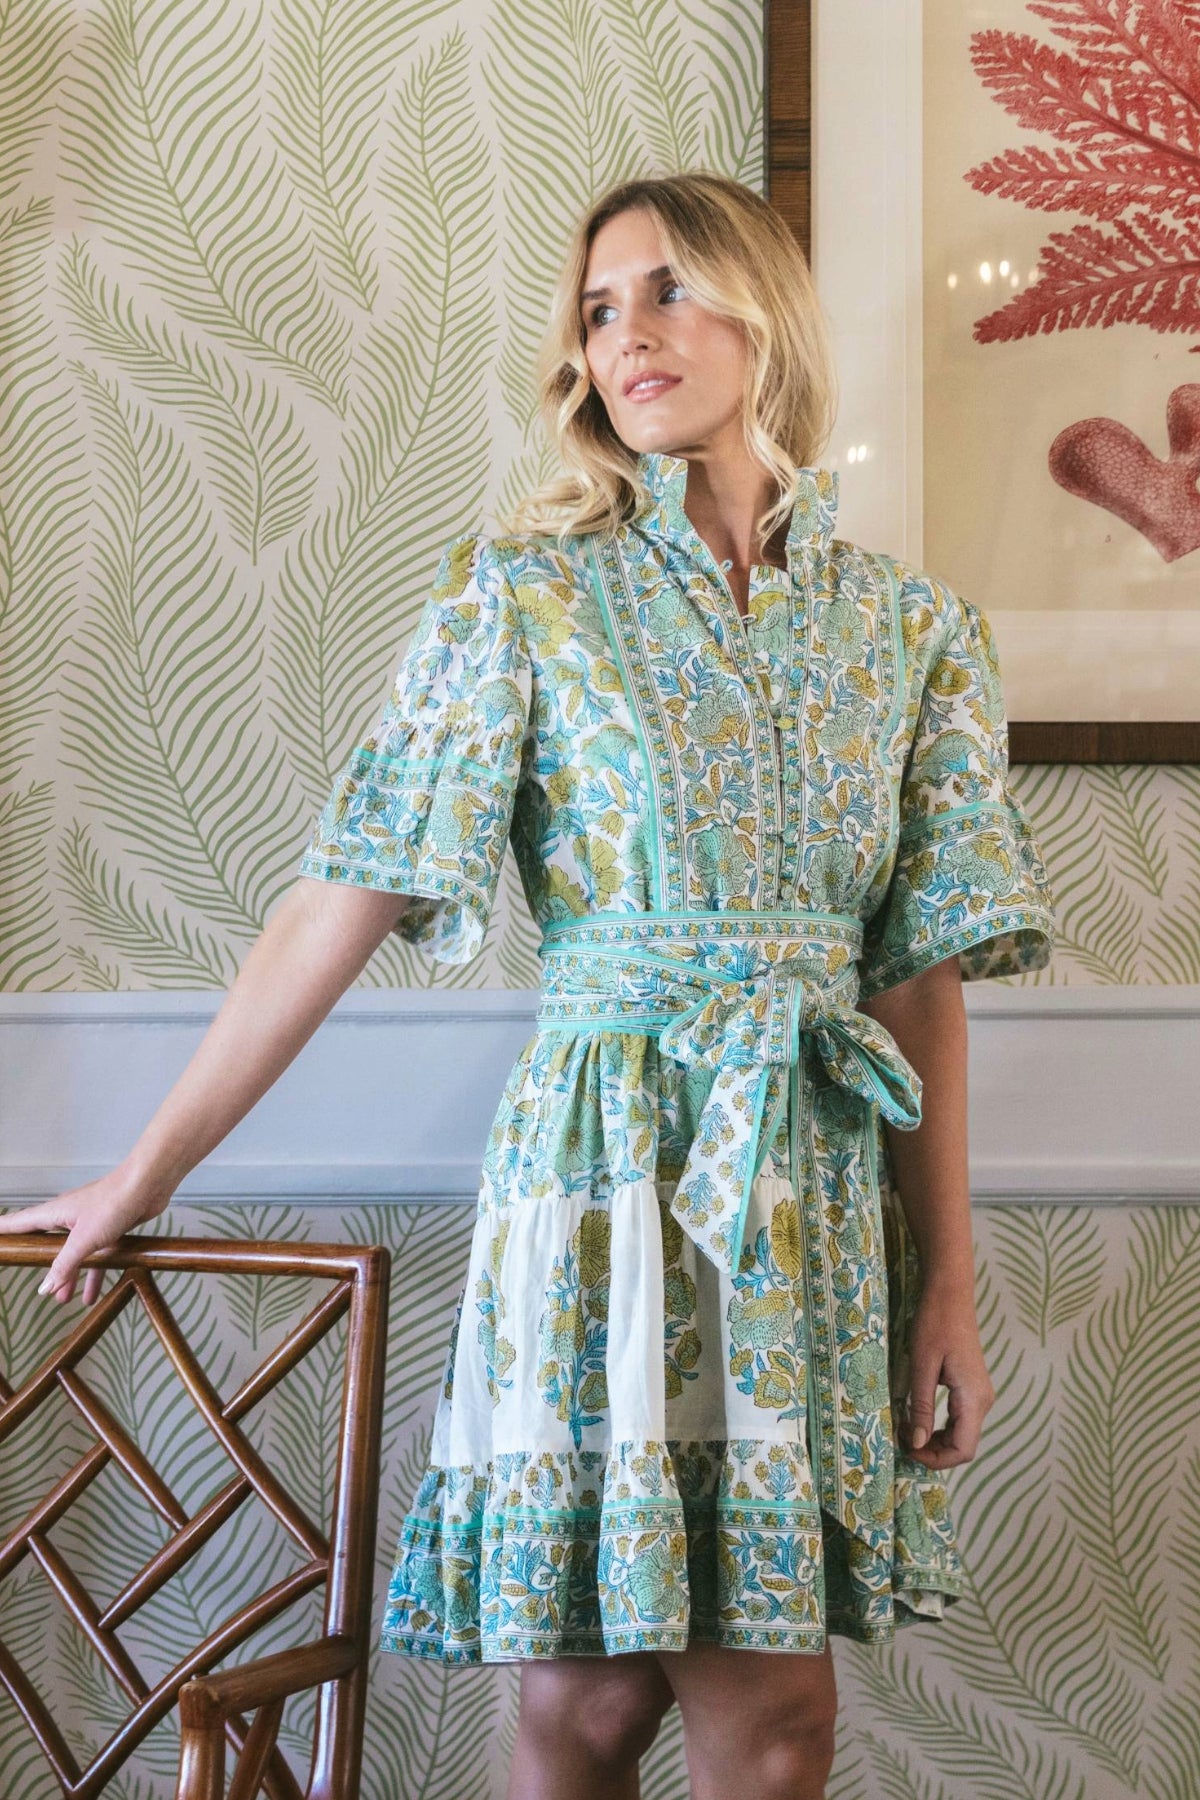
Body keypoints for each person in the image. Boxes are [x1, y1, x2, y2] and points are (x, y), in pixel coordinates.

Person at [1, 171, 1056, 1800]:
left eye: (668, 290)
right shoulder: (528, 598)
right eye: (596, 310)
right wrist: (144, 1170)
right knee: (615, 1709)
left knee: (701, 1714)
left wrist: (950, 1286)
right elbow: (334, 903)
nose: (625, 335)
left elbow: (918, 981)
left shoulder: (913, 634)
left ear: (767, 312)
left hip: (810, 1190)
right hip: (600, 1180)